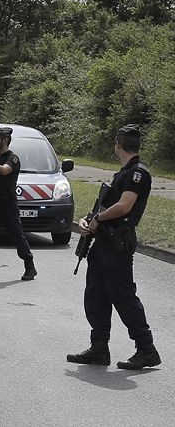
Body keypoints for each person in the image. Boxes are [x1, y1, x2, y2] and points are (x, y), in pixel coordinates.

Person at [67, 124, 162, 370]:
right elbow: (108, 206)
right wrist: (89, 220)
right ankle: (99, 348)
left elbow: (124, 206)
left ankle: (146, 349)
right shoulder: (124, 172)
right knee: (96, 295)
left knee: (124, 297)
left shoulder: (137, 173)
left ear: (118, 144)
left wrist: (98, 220)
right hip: (103, 244)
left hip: (117, 245)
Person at [0, 125, 37, 280]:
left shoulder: (13, 158)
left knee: (17, 235)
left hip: (8, 204)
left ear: (5, 140)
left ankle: (30, 267)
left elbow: (4, 170)